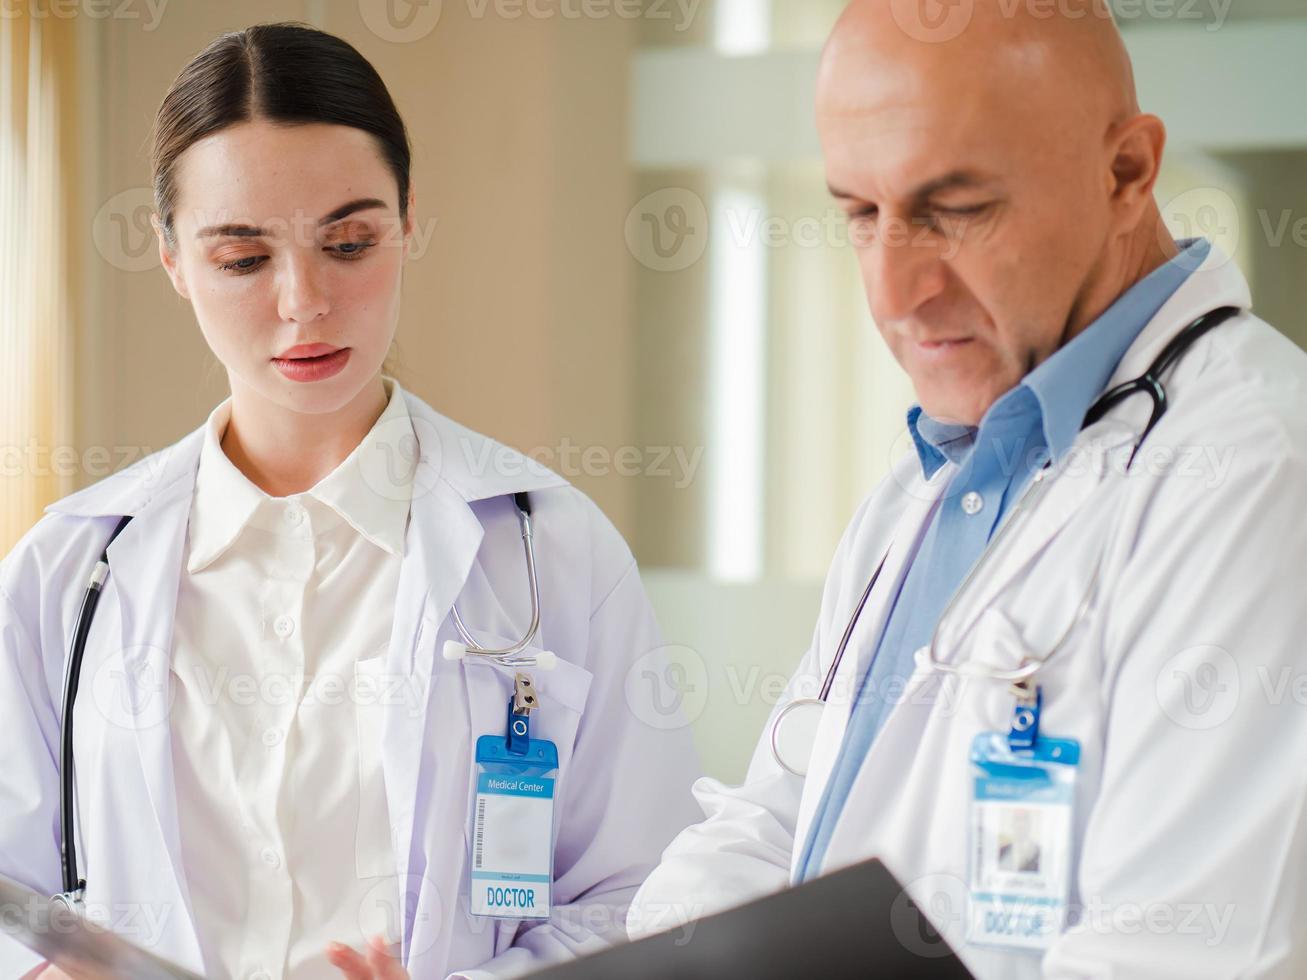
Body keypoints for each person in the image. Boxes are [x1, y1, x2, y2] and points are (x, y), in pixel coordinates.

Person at [0, 22, 699, 980]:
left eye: (349, 241)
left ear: (408, 221)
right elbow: (12, 899)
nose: (303, 301)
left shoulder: (551, 551)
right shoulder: (66, 573)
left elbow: (646, 896)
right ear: (171, 260)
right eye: (243, 259)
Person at [629, 1, 1307, 977]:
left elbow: (1177, 954)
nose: (893, 294)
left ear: (1126, 172)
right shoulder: (939, 481)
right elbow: (774, 826)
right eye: (860, 214)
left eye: (954, 210)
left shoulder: (1252, 470)